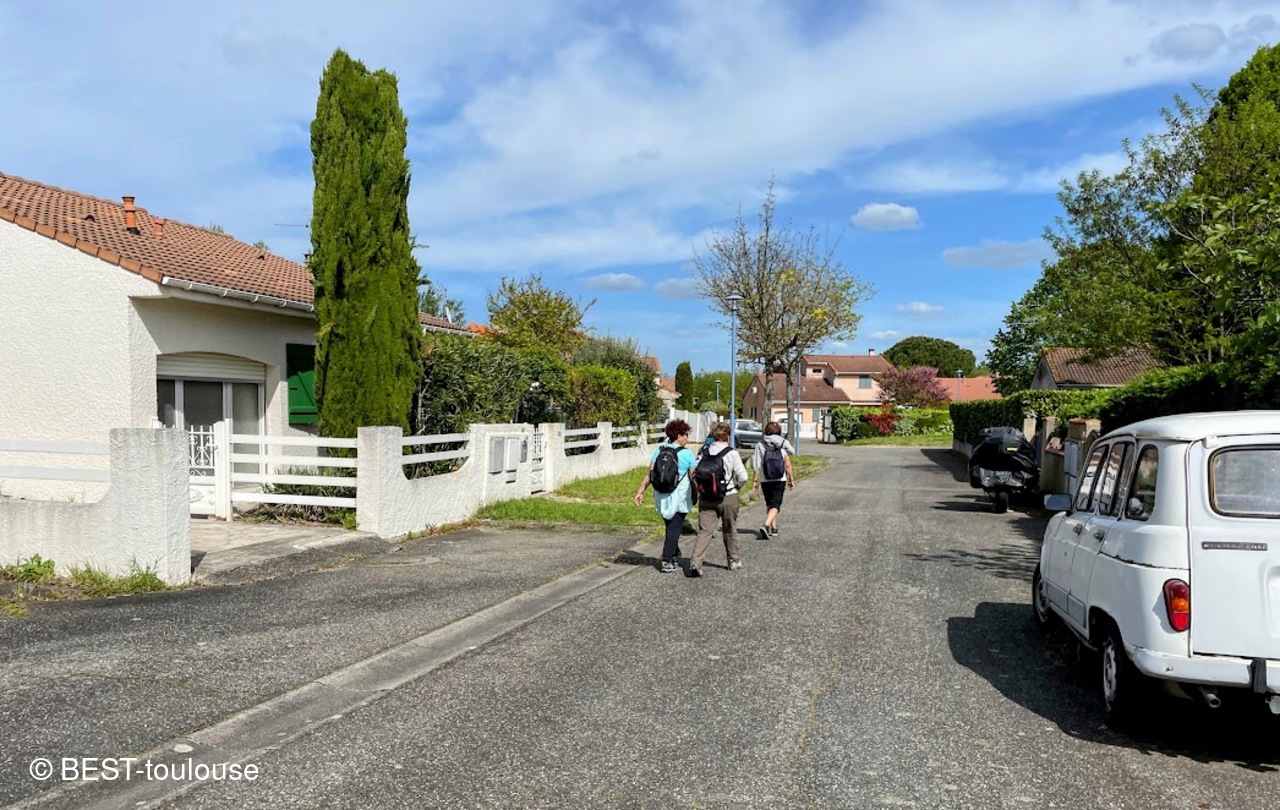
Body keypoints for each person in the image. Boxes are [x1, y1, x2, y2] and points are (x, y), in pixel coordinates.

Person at [634, 419, 697, 573]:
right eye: (685, 434)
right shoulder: (687, 453)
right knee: (674, 528)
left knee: (670, 526)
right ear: (679, 436)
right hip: (680, 497)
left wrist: (640, 491)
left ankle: (673, 554)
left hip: (661, 495)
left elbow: (650, 474)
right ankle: (667, 559)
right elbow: (694, 476)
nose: (687, 437)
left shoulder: (659, 451)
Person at [689, 421, 749, 576]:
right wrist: (736, 488)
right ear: (728, 436)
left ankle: (696, 562)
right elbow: (743, 476)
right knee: (729, 529)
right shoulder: (732, 453)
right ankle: (733, 560)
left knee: (705, 531)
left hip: (707, 497)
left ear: (713, 436)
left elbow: (693, 472)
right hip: (728, 496)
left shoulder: (704, 451)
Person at [751, 421, 795, 538]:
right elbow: (788, 462)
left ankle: (774, 528)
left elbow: (756, 464)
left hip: (765, 479)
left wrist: (755, 481)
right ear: (779, 431)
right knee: (776, 505)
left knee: (769, 503)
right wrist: (791, 479)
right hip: (780, 478)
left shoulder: (760, 444)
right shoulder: (783, 443)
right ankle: (766, 525)